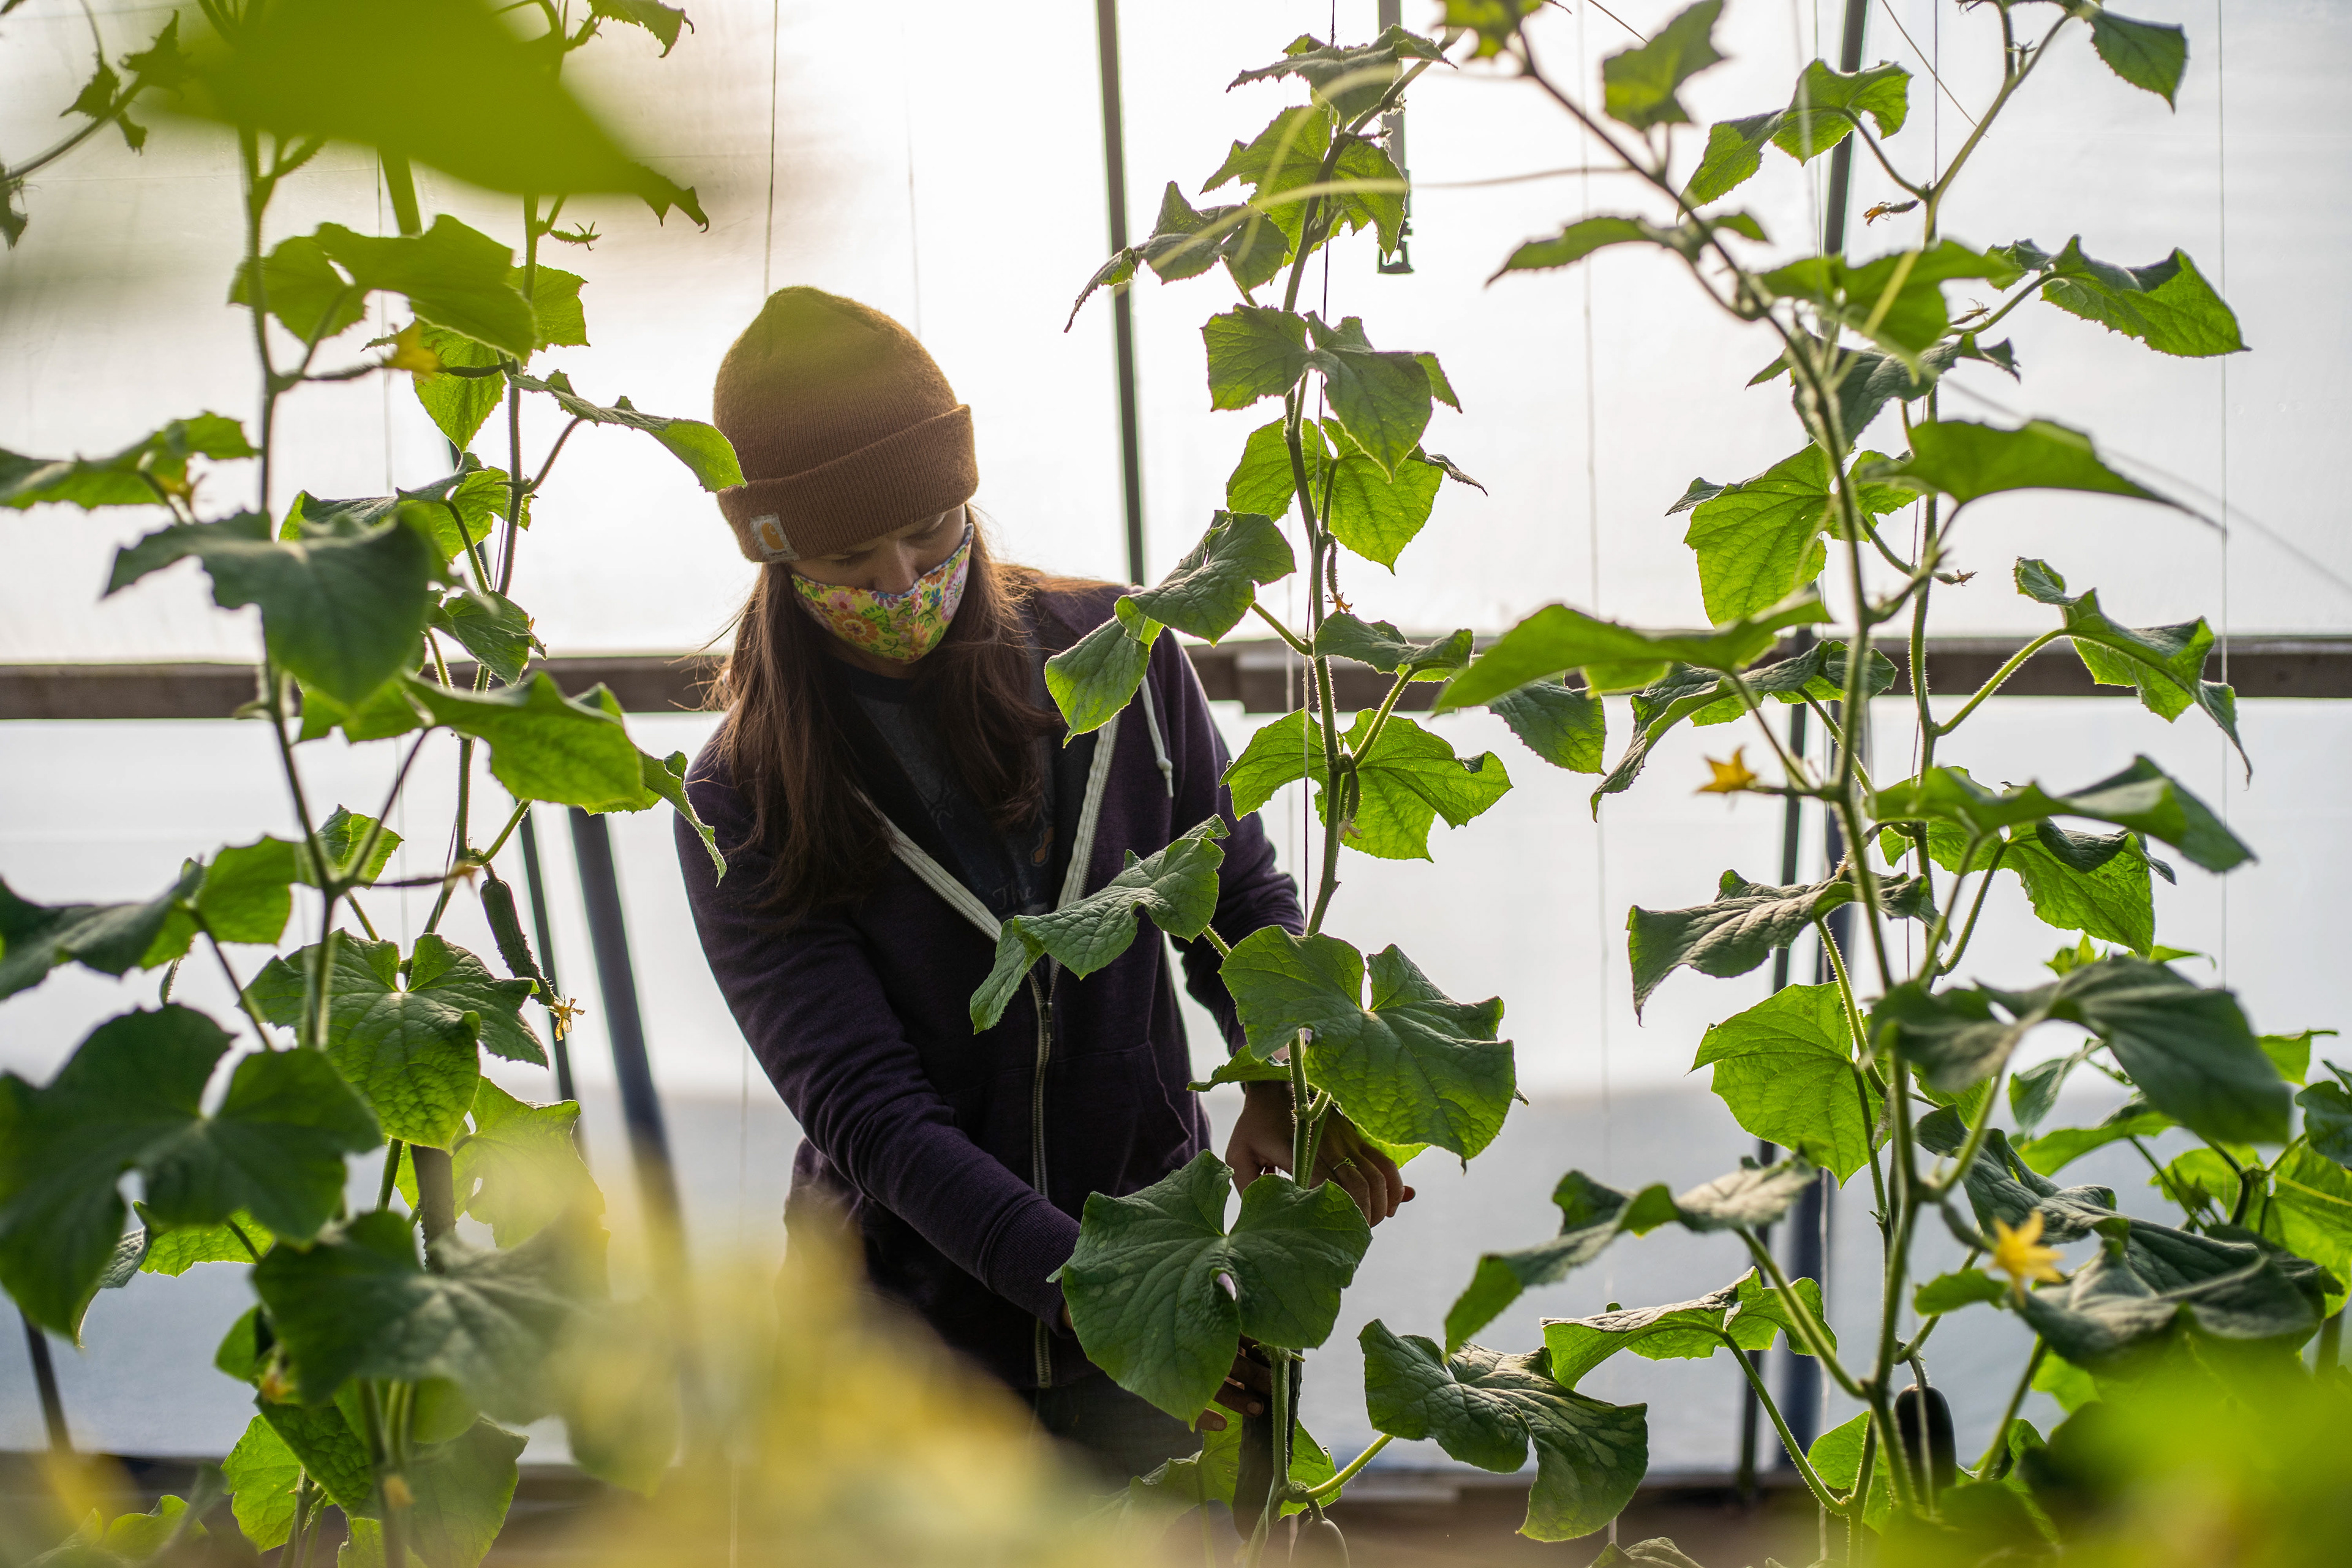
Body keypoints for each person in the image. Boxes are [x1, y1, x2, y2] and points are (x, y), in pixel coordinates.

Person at [674, 288, 1411, 1481]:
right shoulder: (743, 797)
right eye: (851, 556)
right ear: (778, 556)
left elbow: (1236, 892)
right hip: (905, 1346)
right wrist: (1099, 1294)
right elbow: (872, 1113)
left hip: (1160, 1253)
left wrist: (1281, 1076)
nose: (906, 574)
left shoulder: (1121, 651)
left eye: (932, 526)